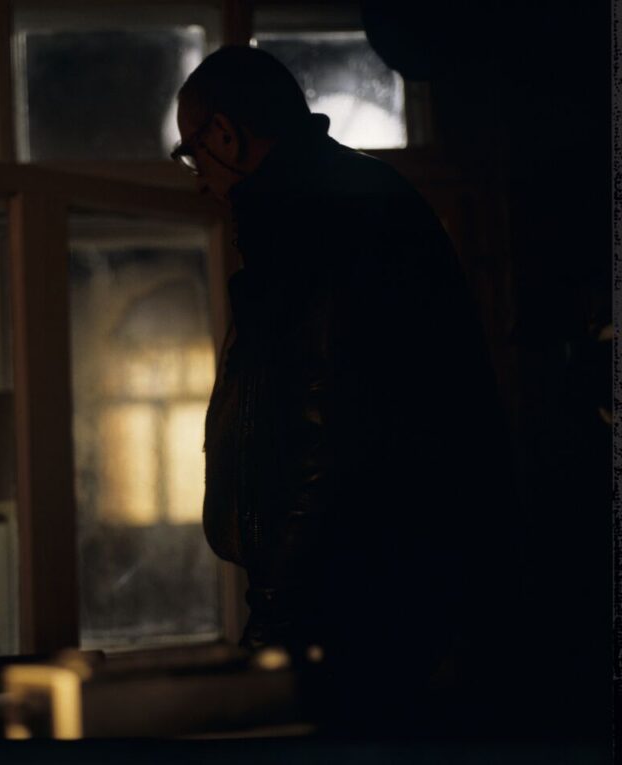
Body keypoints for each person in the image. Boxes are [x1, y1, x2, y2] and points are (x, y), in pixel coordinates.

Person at [174, 47, 518, 734]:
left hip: (353, 603)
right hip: (365, 594)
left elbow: (330, 426)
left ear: (223, 136)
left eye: (191, 154)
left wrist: (279, 609)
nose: (199, 180)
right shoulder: (341, 203)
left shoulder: (317, 217)